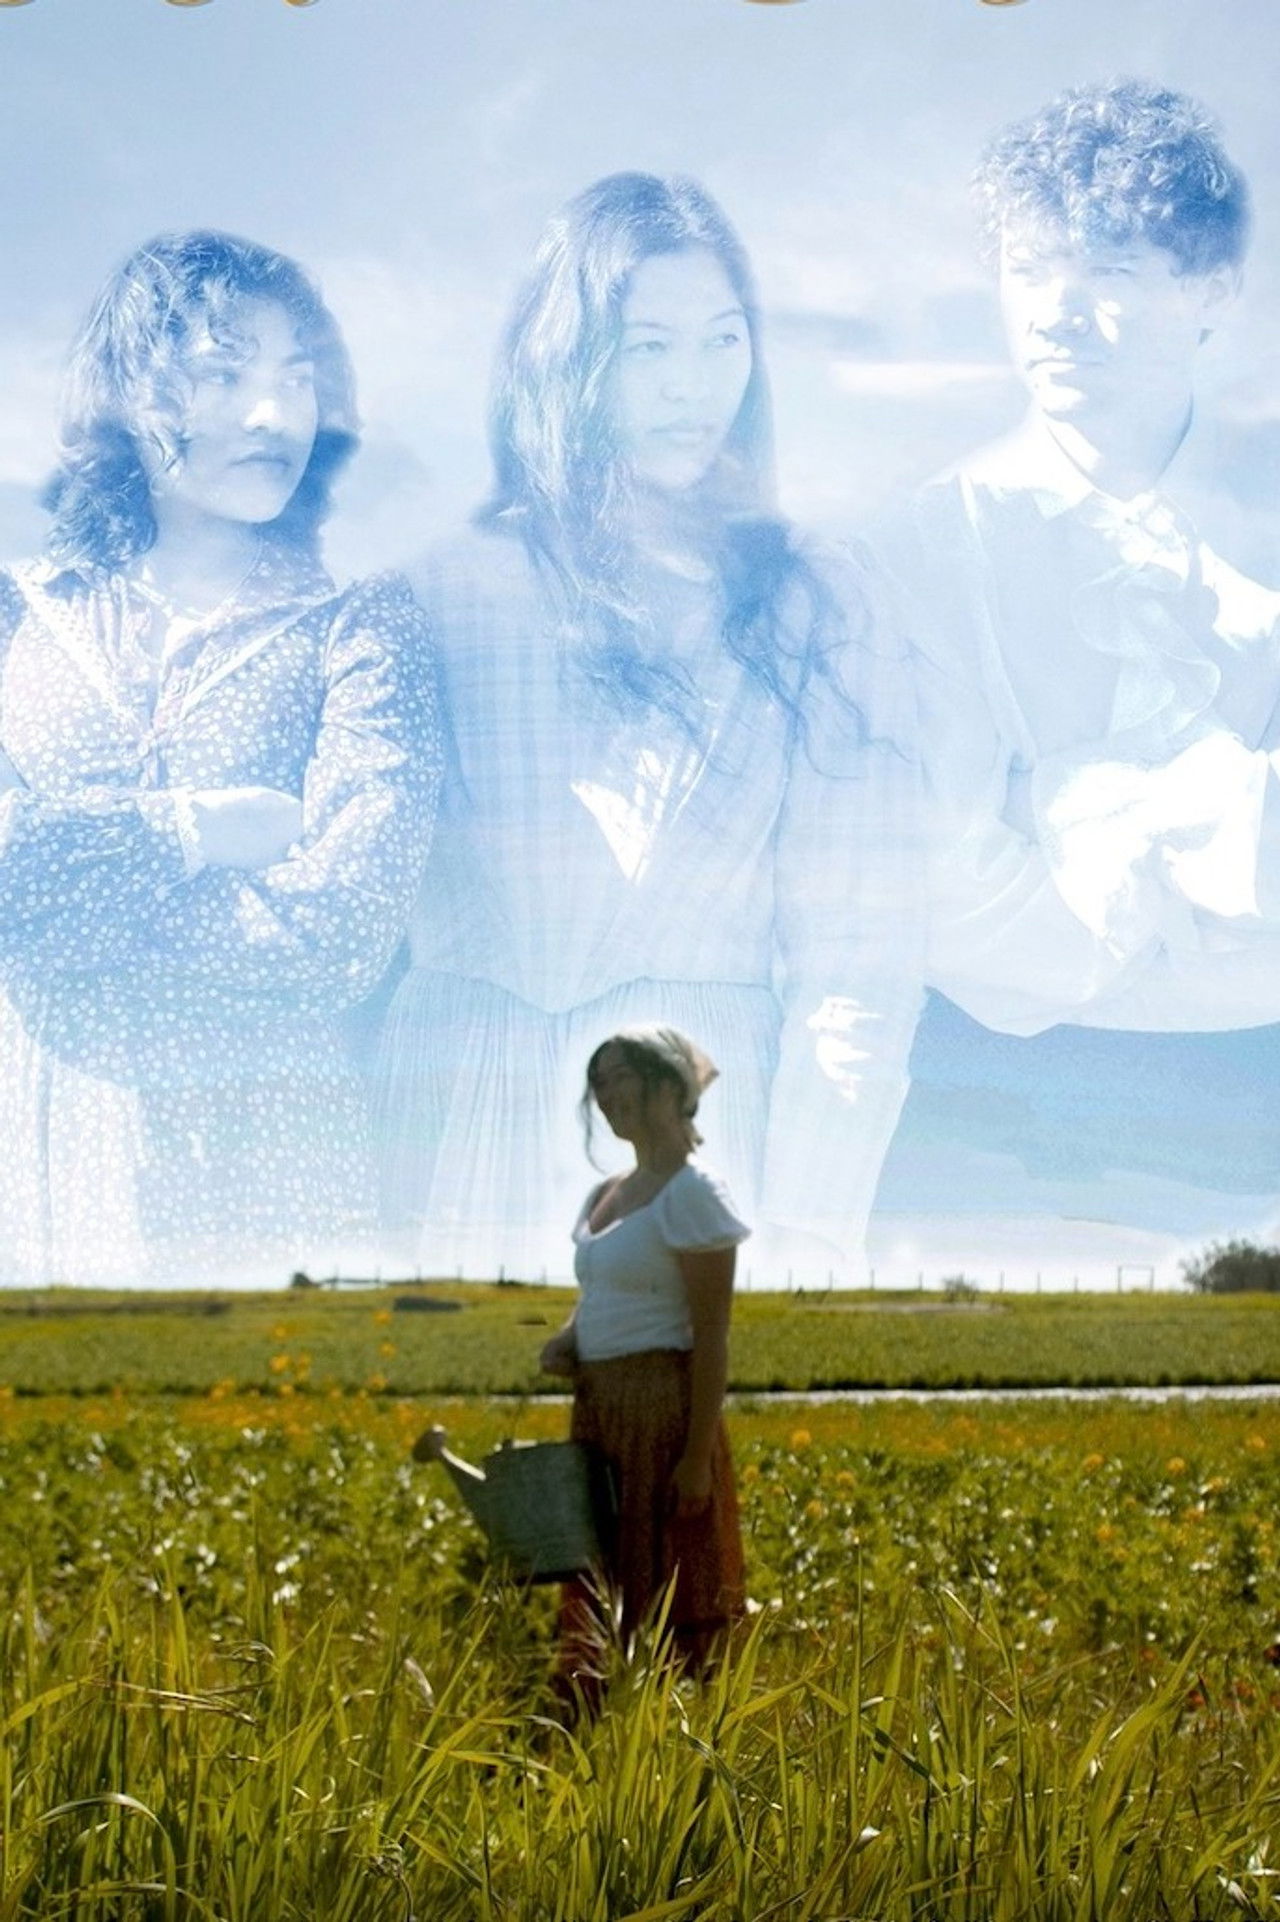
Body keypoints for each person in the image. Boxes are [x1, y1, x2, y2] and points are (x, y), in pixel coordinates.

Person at [375, 171, 921, 1286]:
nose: (693, 389)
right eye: (647, 348)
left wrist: (813, 1231)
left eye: (722, 343)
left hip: (720, 1135)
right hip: (460, 1131)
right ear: (567, 361)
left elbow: (861, 953)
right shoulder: (442, 594)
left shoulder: (822, 596)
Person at [869, 80, 1280, 1254]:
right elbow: (934, 870)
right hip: (1021, 1110)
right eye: (1027, 271)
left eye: (1107, 272)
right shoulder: (918, 547)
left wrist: (1071, 804)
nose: (1054, 313)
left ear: (1209, 290)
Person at [0, 230, 440, 1285]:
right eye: (224, 371)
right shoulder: (17, 612)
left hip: (272, 1158)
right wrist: (194, 833)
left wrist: (67, 895)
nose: (271, 413)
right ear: (126, 393)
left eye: (298, 378)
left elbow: (342, 929)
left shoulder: (360, 622)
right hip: (39, 1147)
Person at [540, 1025, 748, 1702]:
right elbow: (604, 1289)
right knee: (602, 1564)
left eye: (620, 1076)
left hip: (662, 1409)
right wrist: (571, 1337)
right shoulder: (609, 1192)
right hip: (601, 1406)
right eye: (597, 1082)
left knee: (664, 1569)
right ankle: (595, 1714)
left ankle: (671, 1731)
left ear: (669, 1087)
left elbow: (712, 1334)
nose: (605, 1094)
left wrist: (695, 1458)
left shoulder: (693, 1192)